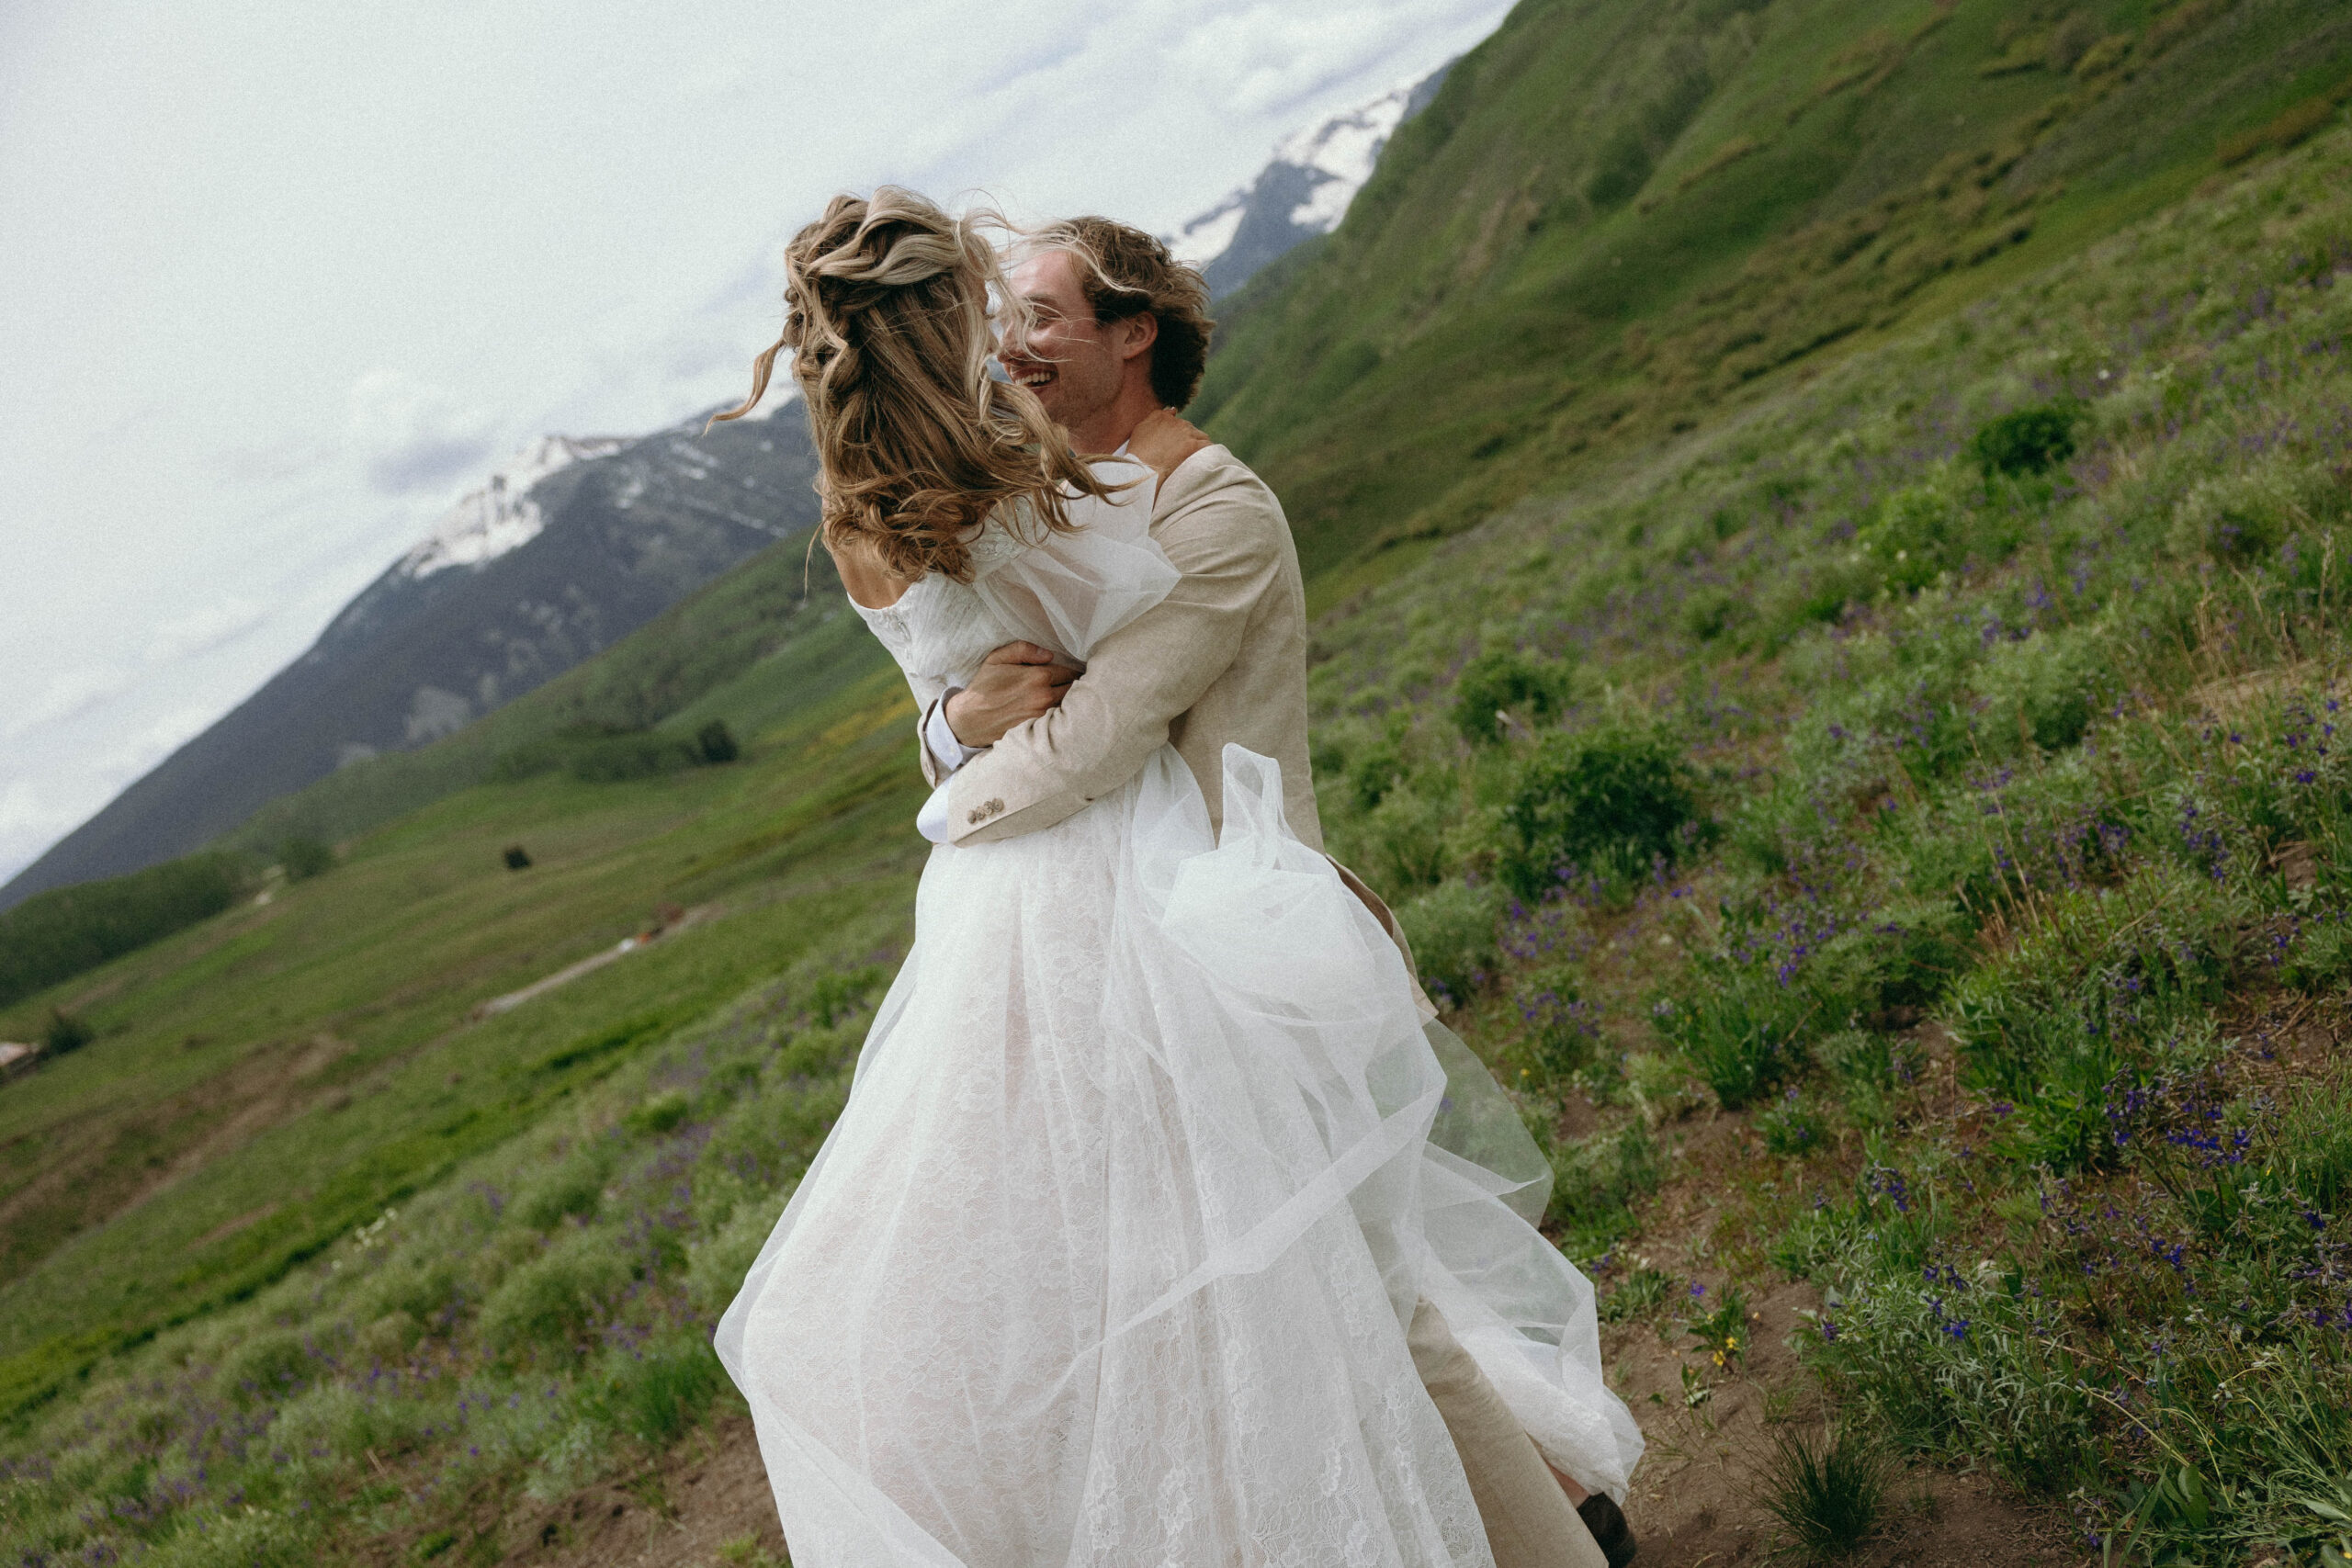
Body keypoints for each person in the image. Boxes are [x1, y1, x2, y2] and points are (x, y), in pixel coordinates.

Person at [712, 189, 1643, 1568]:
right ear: (944, 319)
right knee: (1264, 1283)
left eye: (1038, 315)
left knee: (1250, 1285)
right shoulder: (1040, 482)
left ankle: (1544, 1531)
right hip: (1119, 909)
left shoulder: (894, 515)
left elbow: (1042, 700)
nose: (1013, 340)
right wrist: (954, 734)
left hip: (1062, 917)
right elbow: (1052, 712)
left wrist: (955, 754)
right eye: (994, 307)